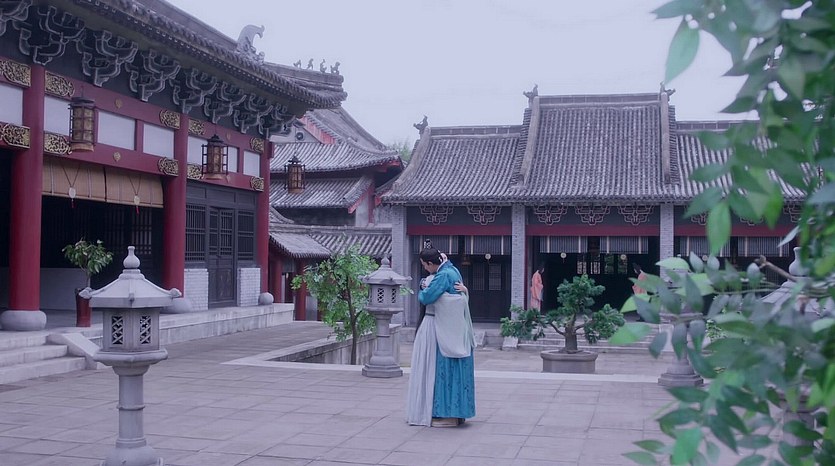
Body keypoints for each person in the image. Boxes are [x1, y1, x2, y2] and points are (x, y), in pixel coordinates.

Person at [407, 246, 475, 427]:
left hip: (442, 328)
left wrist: (424, 286)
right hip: (456, 329)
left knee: (443, 371)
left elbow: (426, 298)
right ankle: (457, 414)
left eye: (425, 265)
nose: (425, 268)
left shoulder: (442, 276)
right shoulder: (453, 270)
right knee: (457, 371)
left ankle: (447, 414)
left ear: (430, 263)